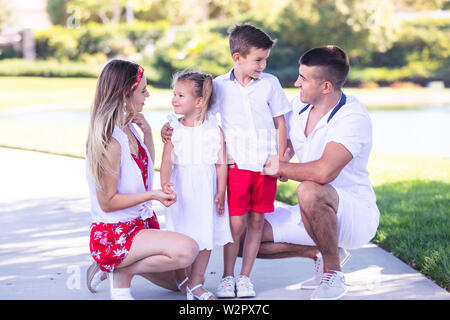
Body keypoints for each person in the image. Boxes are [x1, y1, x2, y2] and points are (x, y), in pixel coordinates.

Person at [162, 23, 291, 298]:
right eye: (258, 59)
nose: (263, 65)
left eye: (265, 59)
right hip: (237, 167)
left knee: (257, 221)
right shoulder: (219, 86)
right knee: (235, 224)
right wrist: (170, 130)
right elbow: (200, 116)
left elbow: (280, 122)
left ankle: (245, 277)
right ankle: (227, 275)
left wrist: (281, 161)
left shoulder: (270, 84)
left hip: (265, 167)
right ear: (238, 58)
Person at [262, 45, 380, 300]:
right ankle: (321, 252)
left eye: (303, 79)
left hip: (353, 214)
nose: (296, 83)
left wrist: (282, 168)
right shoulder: (299, 106)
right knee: (241, 235)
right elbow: (284, 143)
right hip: (312, 212)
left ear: (326, 86)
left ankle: (333, 273)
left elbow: (324, 172)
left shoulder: (352, 117)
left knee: (309, 189)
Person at [85, 59, 199, 300]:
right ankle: (118, 272)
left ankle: (116, 267)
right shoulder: (110, 142)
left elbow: (144, 167)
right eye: (143, 90)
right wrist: (153, 195)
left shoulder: (130, 127)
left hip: (140, 225)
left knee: (180, 281)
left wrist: (148, 133)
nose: (148, 95)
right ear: (126, 94)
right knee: (187, 250)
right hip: (115, 233)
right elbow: (107, 201)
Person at [160, 70, 233, 300]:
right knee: (182, 234)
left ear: (199, 101)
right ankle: (183, 278)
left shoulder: (213, 129)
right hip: (182, 191)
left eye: (181, 95)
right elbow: (166, 160)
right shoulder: (174, 128)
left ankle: (197, 282)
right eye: (174, 94)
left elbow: (221, 163)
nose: (174, 99)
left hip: (206, 191)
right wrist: (164, 184)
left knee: (205, 235)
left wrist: (221, 191)